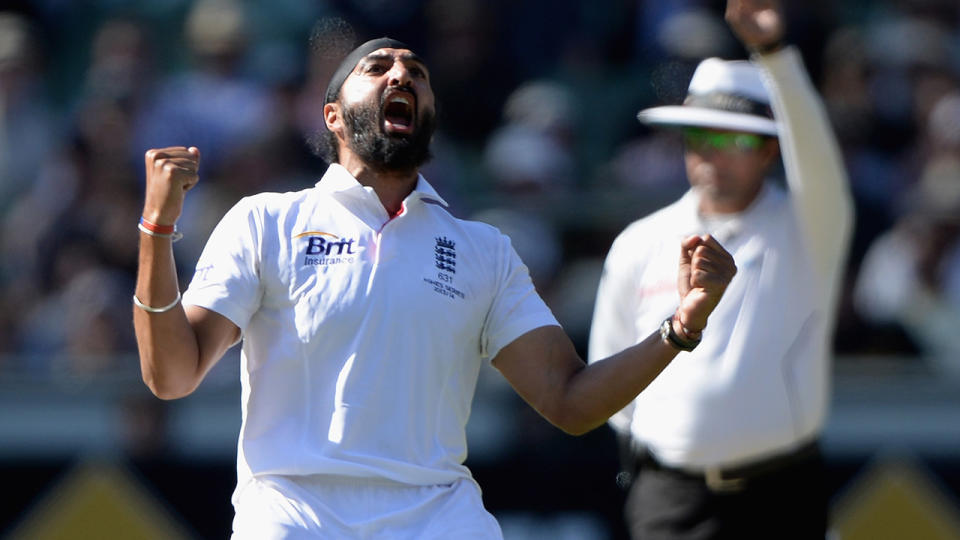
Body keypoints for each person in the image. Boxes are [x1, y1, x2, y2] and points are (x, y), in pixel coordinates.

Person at [132, 37, 737, 539]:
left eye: (417, 72)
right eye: (378, 67)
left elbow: (570, 402)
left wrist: (681, 326)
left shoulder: (483, 249)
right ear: (333, 117)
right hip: (293, 515)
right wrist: (157, 229)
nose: (402, 74)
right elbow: (172, 374)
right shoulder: (266, 220)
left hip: (439, 518)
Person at [588, 1, 853, 538]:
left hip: (781, 499)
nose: (712, 155)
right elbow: (612, 380)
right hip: (668, 500)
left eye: (733, 138)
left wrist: (774, 55)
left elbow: (819, 159)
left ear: (771, 151)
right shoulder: (639, 243)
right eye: (699, 137)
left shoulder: (807, 228)